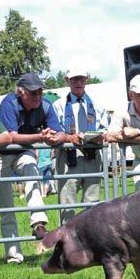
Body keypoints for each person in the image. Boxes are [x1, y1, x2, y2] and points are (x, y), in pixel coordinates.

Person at [0, 72, 67, 263]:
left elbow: (61, 134)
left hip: (23, 153)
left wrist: (53, 138)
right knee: (5, 206)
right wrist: (40, 137)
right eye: (33, 92)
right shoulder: (9, 103)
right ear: (20, 92)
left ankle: (38, 223)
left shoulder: (45, 106)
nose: (38, 96)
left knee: (31, 166)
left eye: (40, 91)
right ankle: (14, 255)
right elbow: (10, 136)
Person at [52, 68, 103, 224]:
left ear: (86, 80)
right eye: (74, 79)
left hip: (92, 155)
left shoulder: (96, 104)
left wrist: (93, 137)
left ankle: (90, 242)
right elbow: (55, 131)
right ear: (67, 81)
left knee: (92, 201)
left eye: (81, 79)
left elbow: (104, 129)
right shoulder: (59, 105)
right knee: (67, 202)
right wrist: (70, 138)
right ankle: (67, 244)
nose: (78, 83)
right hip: (68, 157)